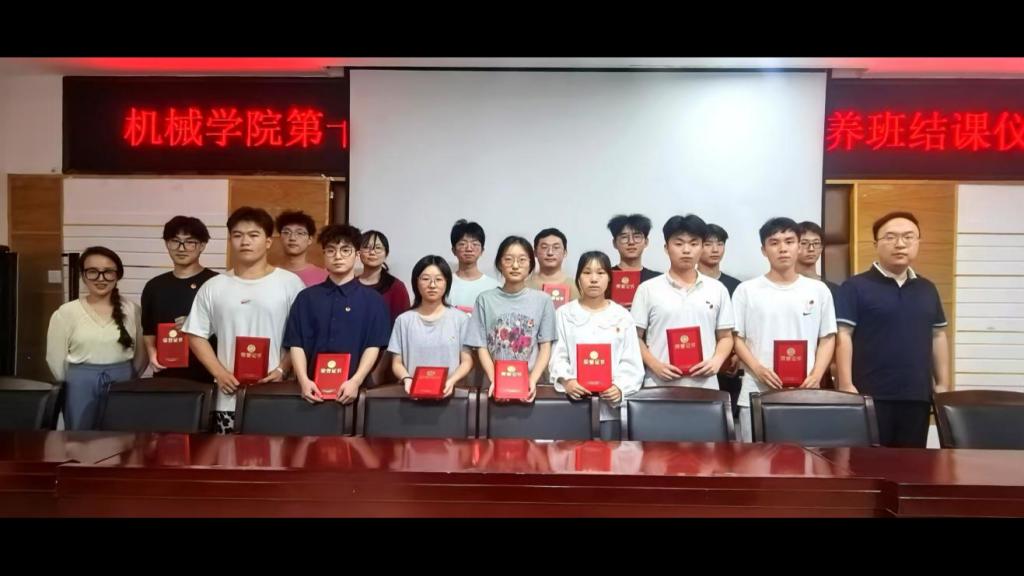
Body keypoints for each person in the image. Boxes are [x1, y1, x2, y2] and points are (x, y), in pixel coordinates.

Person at [46, 246, 148, 430]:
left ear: (118, 275)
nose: (101, 278)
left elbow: (142, 355)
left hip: (122, 383)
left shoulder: (133, 310)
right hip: (79, 386)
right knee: (79, 438)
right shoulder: (66, 312)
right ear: (83, 276)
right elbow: (55, 358)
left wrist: (128, 377)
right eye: (92, 272)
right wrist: (75, 381)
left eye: (108, 272)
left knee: (121, 436)